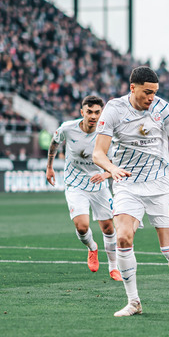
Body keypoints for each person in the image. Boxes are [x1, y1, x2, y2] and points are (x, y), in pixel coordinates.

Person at [92, 66, 169, 317]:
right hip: (127, 184)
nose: (152, 97)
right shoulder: (114, 109)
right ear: (132, 88)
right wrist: (111, 168)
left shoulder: (163, 109)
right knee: (123, 238)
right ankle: (134, 301)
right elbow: (99, 152)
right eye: (147, 92)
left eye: (155, 92)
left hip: (161, 185)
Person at [46, 95, 120, 281]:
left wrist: (105, 174)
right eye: (89, 112)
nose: (93, 116)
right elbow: (55, 143)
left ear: (101, 113)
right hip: (75, 183)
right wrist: (49, 167)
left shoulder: (107, 134)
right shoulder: (67, 128)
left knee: (108, 228)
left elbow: (115, 165)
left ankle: (113, 267)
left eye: (97, 112)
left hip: (99, 184)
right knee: (82, 226)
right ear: (82, 112)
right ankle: (92, 248)